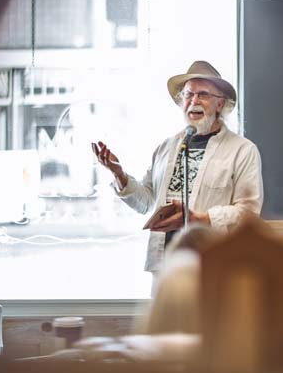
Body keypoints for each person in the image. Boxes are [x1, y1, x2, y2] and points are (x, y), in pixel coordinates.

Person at [91, 61, 264, 277]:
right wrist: (118, 174)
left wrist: (199, 218)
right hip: (166, 266)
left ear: (220, 104)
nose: (194, 101)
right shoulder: (166, 148)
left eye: (203, 95)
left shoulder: (242, 150)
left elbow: (248, 213)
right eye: (188, 95)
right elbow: (146, 203)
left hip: (214, 265)